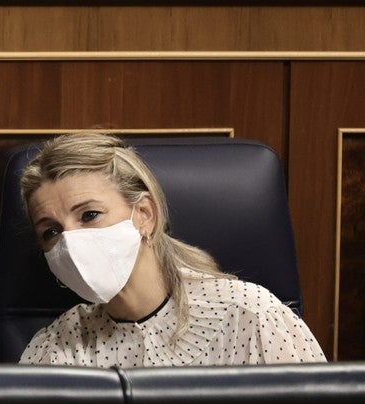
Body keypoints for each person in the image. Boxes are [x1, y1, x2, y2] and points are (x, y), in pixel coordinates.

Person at [17, 132, 326, 367]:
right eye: (51, 231)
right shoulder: (56, 347)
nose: (70, 242)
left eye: (89, 215)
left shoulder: (249, 315)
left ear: (145, 215)